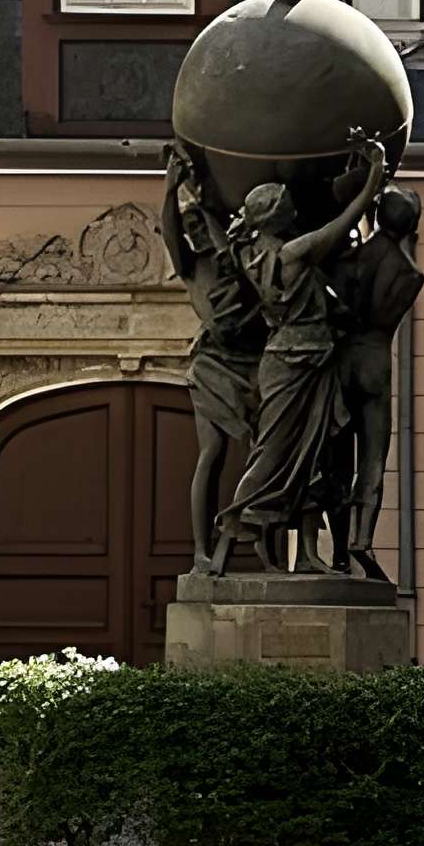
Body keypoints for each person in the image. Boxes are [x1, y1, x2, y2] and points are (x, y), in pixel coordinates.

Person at [209, 134, 387, 577]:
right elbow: (348, 217)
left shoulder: (248, 254)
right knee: (273, 456)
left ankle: (307, 557)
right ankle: (229, 536)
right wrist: (375, 173)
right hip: (298, 362)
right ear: (278, 216)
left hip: (304, 360)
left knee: (313, 460)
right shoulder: (293, 253)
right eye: (285, 203)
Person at [161, 141, 263, 569]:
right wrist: (172, 189)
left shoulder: (235, 258)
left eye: (203, 226)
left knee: (265, 449)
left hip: (253, 362)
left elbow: (228, 253)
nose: (198, 232)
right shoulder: (191, 266)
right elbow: (169, 229)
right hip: (213, 365)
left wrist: (202, 205)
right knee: (212, 452)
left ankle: (261, 538)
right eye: (193, 228)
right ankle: (202, 550)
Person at [328, 184, 424, 581]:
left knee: (335, 456)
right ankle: (361, 540)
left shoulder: (350, 258)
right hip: (375, 361)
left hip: (342, 358)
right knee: (372, 458)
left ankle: (335, 551)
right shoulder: (410, 273)